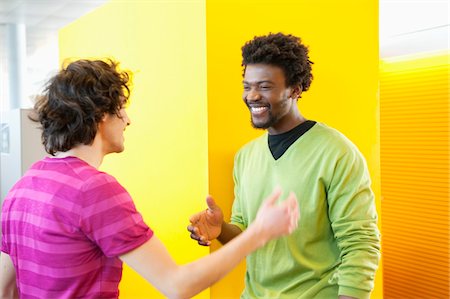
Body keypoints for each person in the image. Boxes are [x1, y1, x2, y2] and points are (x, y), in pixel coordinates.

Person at [0, 59, 300, 299]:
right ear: (101, 116)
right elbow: (177, 286)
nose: (128, 119)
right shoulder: (95, 190)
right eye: (121, 109)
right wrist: (259, 233)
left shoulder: (24, 185)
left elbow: (6, 289)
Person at [187, 32, 381, 299]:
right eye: (247, 86)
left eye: (265, 86)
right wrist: (222, 230)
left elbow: (361, 244)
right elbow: (246, 233)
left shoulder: (337, 152)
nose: (252, 96)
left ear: (295, 88)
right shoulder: (246, 156)